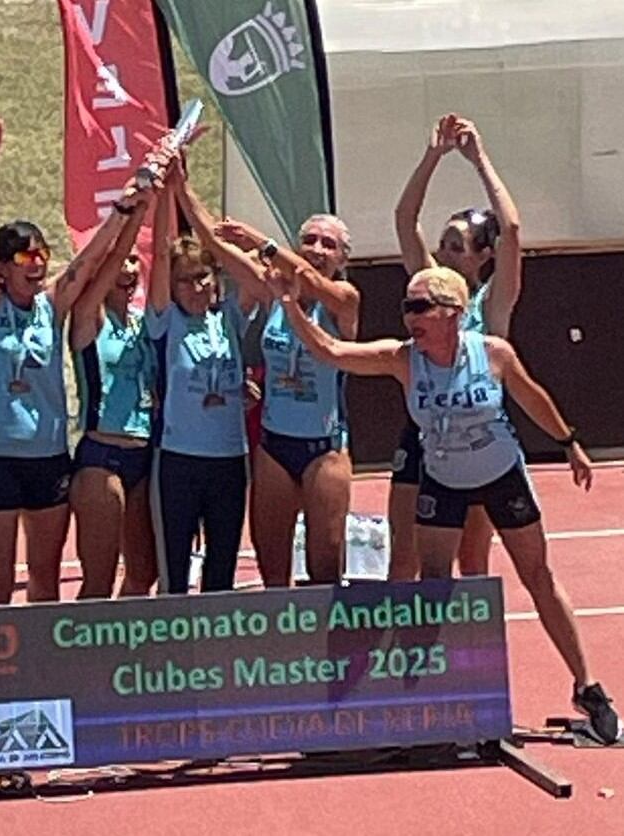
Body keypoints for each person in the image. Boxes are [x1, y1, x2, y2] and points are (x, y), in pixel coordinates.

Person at [274, 263, 620, 744]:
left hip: (502, 476)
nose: (410, 317)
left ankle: (588, 687)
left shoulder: (492, 354)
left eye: (420, 307)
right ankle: (441, 696)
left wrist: (569, 442)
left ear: (453, 312)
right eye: (405, 307)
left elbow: (532, 395)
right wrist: (290, 303)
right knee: (434, 585)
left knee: (538, 576)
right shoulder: (402, 359)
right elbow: (331, 350)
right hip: (443, 482)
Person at [0, 101, 152, 604]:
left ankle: (45, 673)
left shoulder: (53, 304)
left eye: (42, 254)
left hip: (49, 456)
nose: (37, 263)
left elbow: (93, 259)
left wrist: (127, 208)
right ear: (2, 268)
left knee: (45, 580)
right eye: (25, 256)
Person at [389, 114, 522, 580]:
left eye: (455, 246)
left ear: (483, 256)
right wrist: (433, 156)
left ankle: (477, 654)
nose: (444, 255)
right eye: (441, 244)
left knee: (473, 561)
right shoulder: (428, 284)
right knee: (407, 561)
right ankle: (410, 651)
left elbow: (512, 229)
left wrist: (479, 159)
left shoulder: (492, 303)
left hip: (479, 433)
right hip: (425, 435)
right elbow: (405, 219)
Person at [217, 215, 359, 587]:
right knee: (272, 569)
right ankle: (282, 644)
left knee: (325, 564)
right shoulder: (274, 291)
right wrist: (179, 191)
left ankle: (328, 643)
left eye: (328, 244)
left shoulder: (343, 302)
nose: (316, 249)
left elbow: (313, 281)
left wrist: (260, 240)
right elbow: (223, 252)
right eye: (309, 240)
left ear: (344, 259)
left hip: (324, 449)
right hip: (275, 446)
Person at [148, 157, 266, 595]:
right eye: (185, 281)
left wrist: (189, 193)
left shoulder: (229, 318)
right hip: (179, 458)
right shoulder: (166, 322)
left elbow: (252, 277)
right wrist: (166, 193)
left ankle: (215, 659)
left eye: (203, 277)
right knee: (174, 574)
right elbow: (160, 253)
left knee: (221, 572)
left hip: (229, 459)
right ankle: (172, 656)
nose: (196, 287)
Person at [69, 206, 157, 599]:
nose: (129, 270)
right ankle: (84, 656)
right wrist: (132, 219)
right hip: (102, 453)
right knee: (98, 578)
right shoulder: (90, 317)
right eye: (120, 263)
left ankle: (125, 650)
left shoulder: (142, 322)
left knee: (144, 574)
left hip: (144, 451)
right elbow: (98, 277)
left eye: (135, 261)